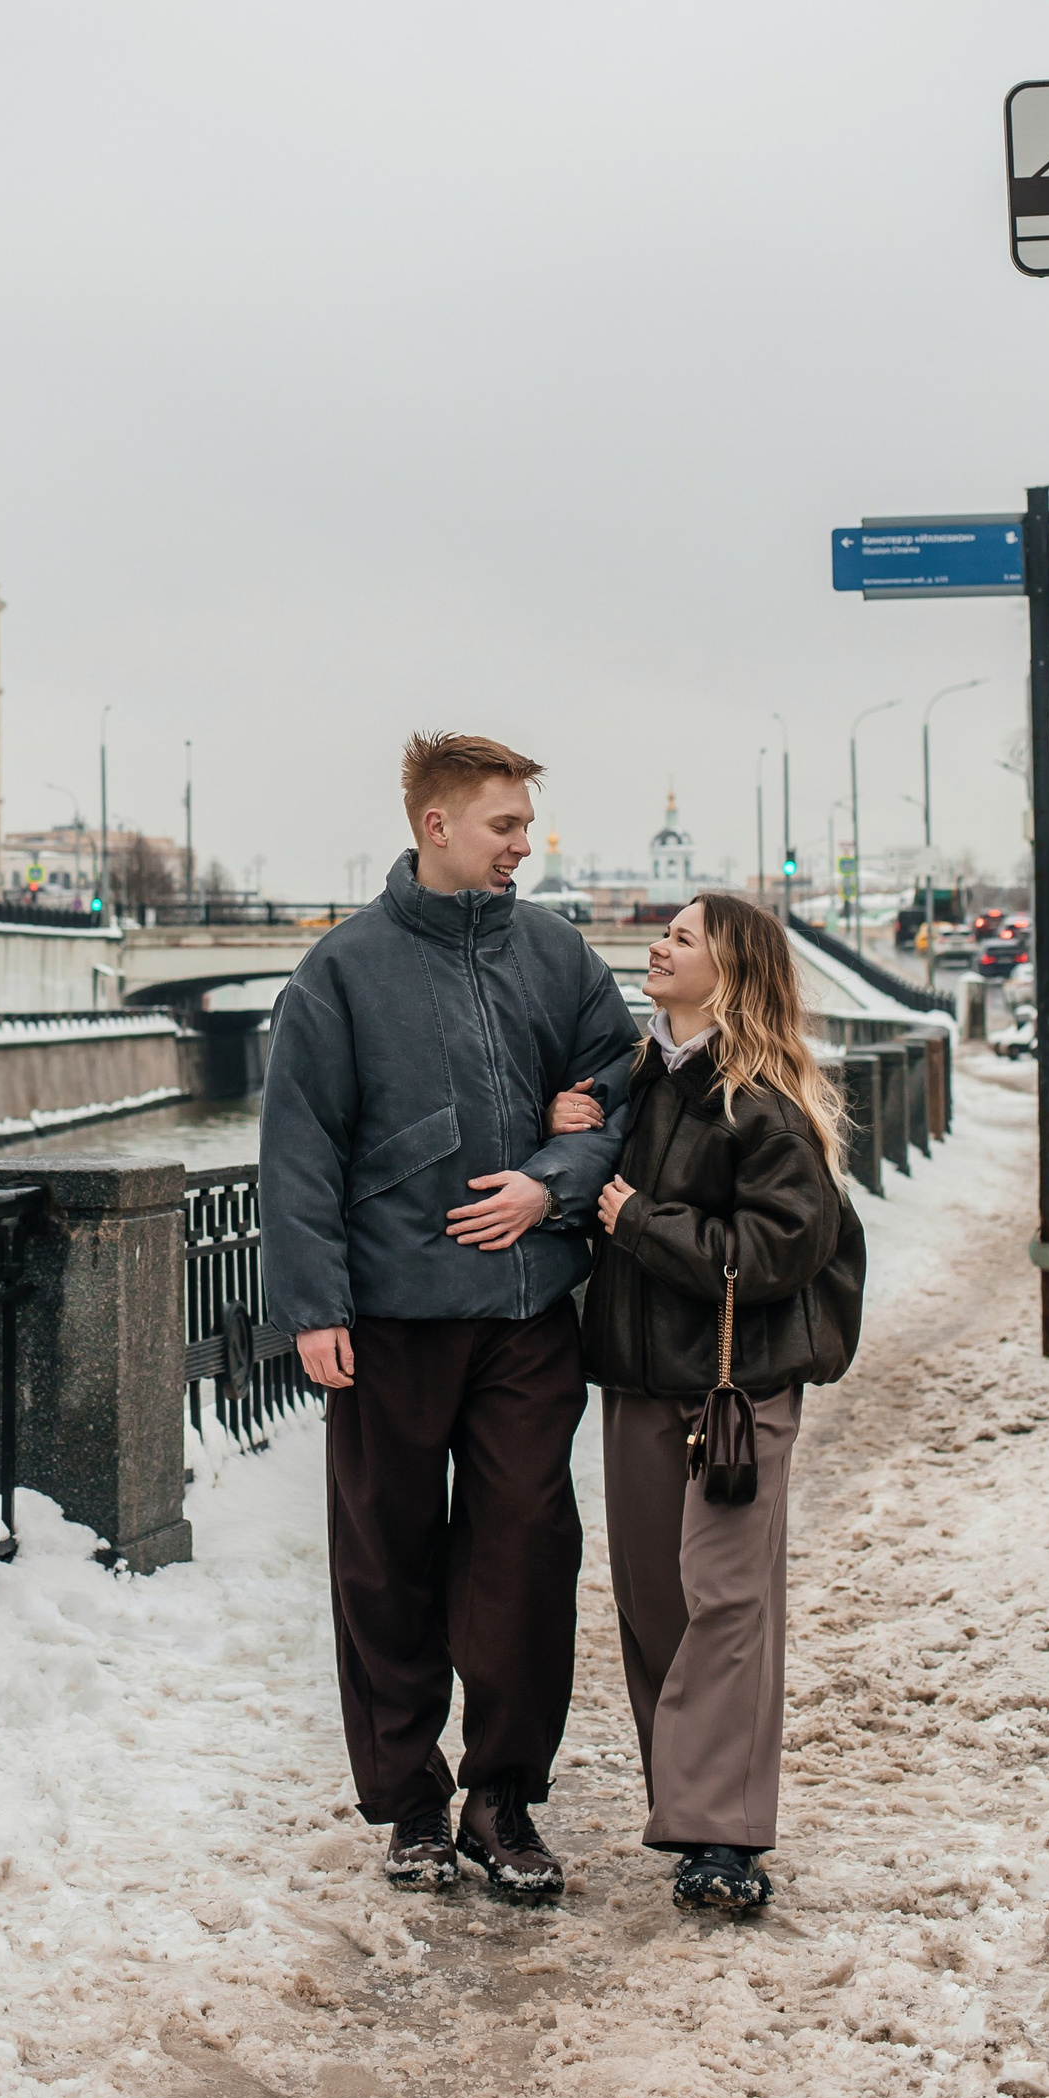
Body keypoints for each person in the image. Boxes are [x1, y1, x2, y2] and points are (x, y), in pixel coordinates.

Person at [258, 732, 639, 1896]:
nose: (524, 845)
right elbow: (300, 1150)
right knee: (387, 1565)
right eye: (504, 825)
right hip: (391, 1319)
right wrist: (314, 1305)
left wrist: (551, 1183)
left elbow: (623, 1091)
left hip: (528, 1313)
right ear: (438, 825)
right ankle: (411, 1805)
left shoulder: (557, 954)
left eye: (525, 825)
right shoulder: (342, 970)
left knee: (527, 1553)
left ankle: (503, 1800)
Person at [568, 891, 865, 1914]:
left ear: (728, 972)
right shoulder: (638, 1078)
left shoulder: (765, 1103)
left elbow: (781, 1248)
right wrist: (571, 1125)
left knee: (728, 1601)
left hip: (737, 1391)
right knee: (654, 1601)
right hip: (639, 1378)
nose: (658, 946)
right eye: (665, 932)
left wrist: (642, 1224)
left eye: (682, 937)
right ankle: (689, 1806)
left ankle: (723, 1836)